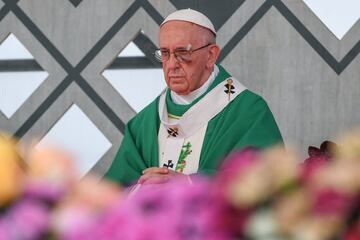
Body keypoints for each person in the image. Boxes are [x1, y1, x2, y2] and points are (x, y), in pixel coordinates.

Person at [105, 9, 283, 186]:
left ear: (211, 55)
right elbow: (111, 196)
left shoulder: (248, 112)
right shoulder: (143, 125)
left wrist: (191, 183)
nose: (172, 65)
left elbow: (266, 180)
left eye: (183, 53)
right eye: (165, 53)